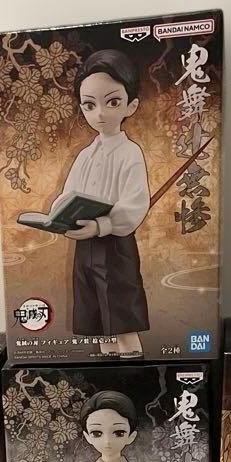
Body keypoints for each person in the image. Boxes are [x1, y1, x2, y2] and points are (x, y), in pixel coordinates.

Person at [53, 51, 150, 356]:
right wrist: (60, 219)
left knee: (120, 311)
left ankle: (133, 364)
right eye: (89, 105)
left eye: (112, 102)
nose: (100, 114)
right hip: (85, 245)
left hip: (116, 245)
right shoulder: (85, 155)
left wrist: (102, 224)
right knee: (94, 310)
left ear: (131, 105)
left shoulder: (130, 153)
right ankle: (107, 363)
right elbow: (68, 194)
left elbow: (135, 203)